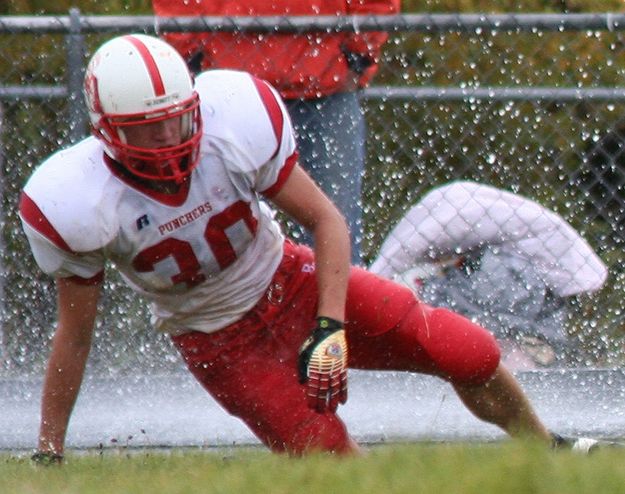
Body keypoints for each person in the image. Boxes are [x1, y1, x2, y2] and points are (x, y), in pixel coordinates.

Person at [20, 34, 592, 465]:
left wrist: (329, 326)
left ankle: (548, 450)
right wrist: (50, 450)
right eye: (149, 129)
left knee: (469, 351)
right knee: (329, 460)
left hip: (290, 279)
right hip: (218, 341)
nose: (170, 140)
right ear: (108, 132)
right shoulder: (78, 200)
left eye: (177, 120)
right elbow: (75, 334)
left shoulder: (231, 124)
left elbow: (326, 221)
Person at [151, 0, 401, 265]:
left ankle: (332, 306)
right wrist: (191, 54)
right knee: (224, 244)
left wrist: (357, 56)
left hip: (324, 91)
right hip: (230, 93)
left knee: (333, 234)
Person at [370, 181, 608, 370]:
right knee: (514, 319)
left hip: (528, 277)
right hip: (534, 276)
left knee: (498, 315)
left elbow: (397, 257)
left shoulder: (520, 260)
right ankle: (520, 358)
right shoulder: (456, 223)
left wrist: (376, 279)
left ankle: (515, 358)